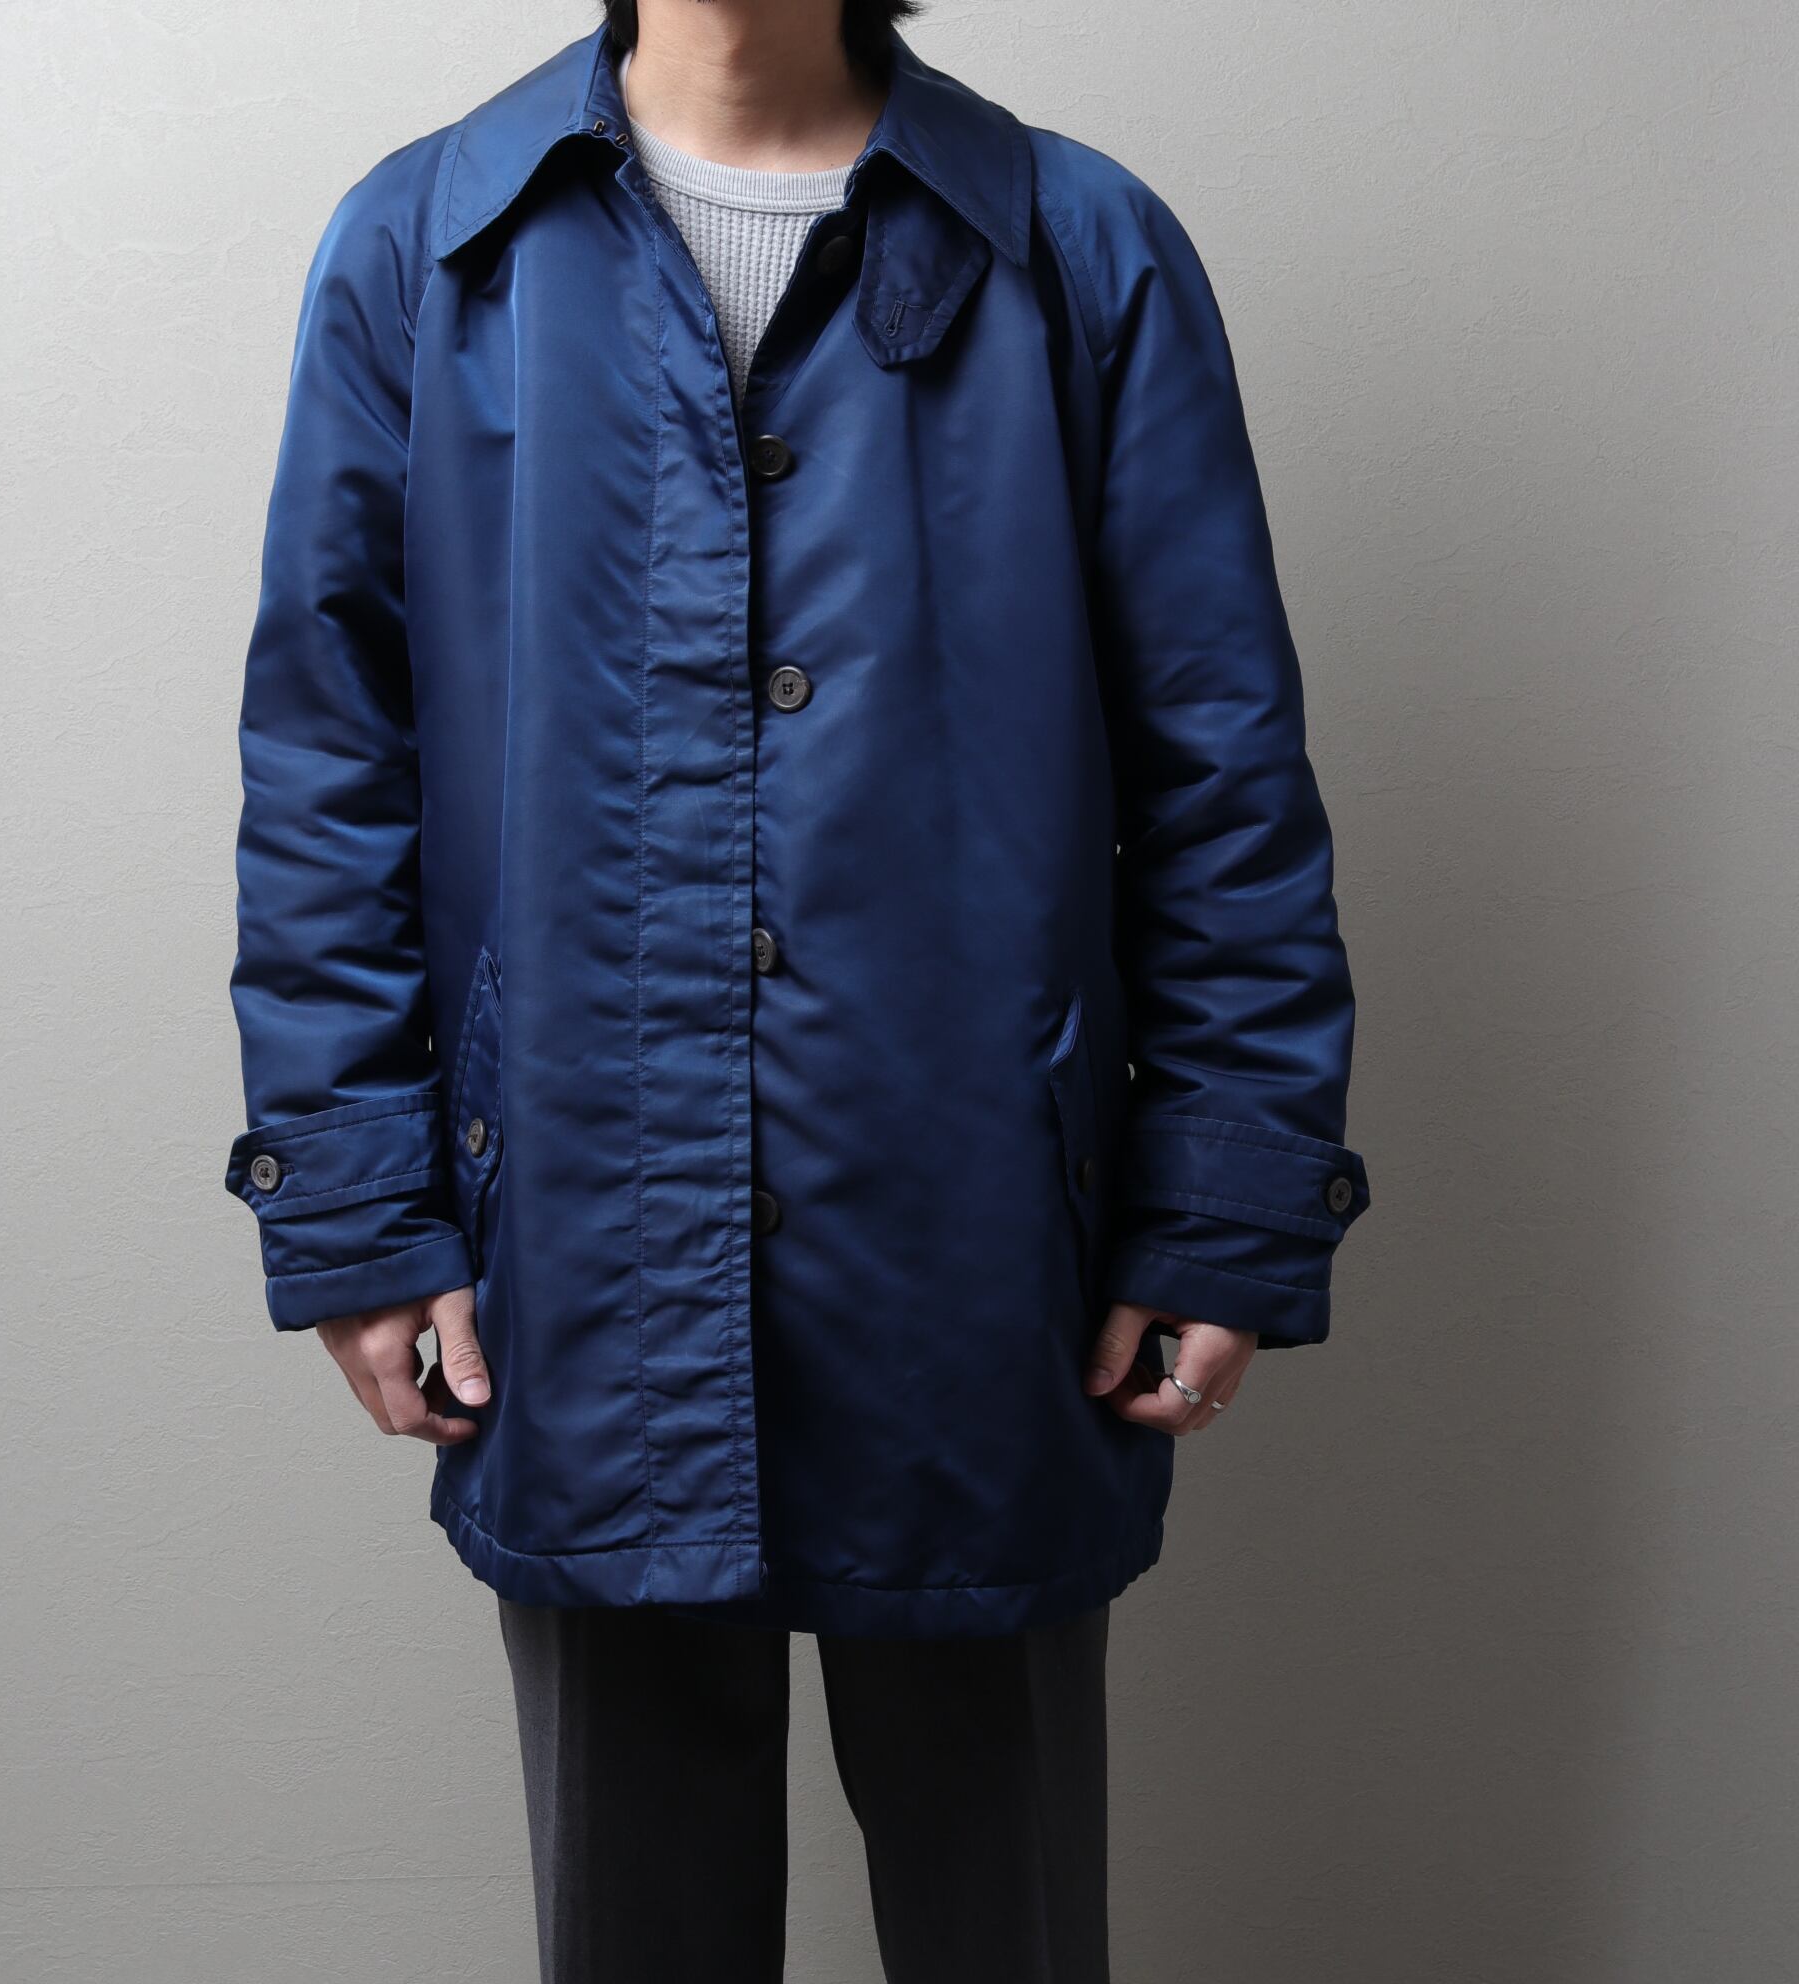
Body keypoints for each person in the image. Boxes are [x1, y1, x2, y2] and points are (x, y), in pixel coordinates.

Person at [223, 2, 1370, 1976]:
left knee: (1003, 1916)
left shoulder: (1076, 247)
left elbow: (1221, 767)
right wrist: (357, 1208)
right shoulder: (430, 245)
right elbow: (332, 759)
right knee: (635, 1920)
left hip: (986, 1250)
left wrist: (1222, 1205)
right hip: (577, 1244)